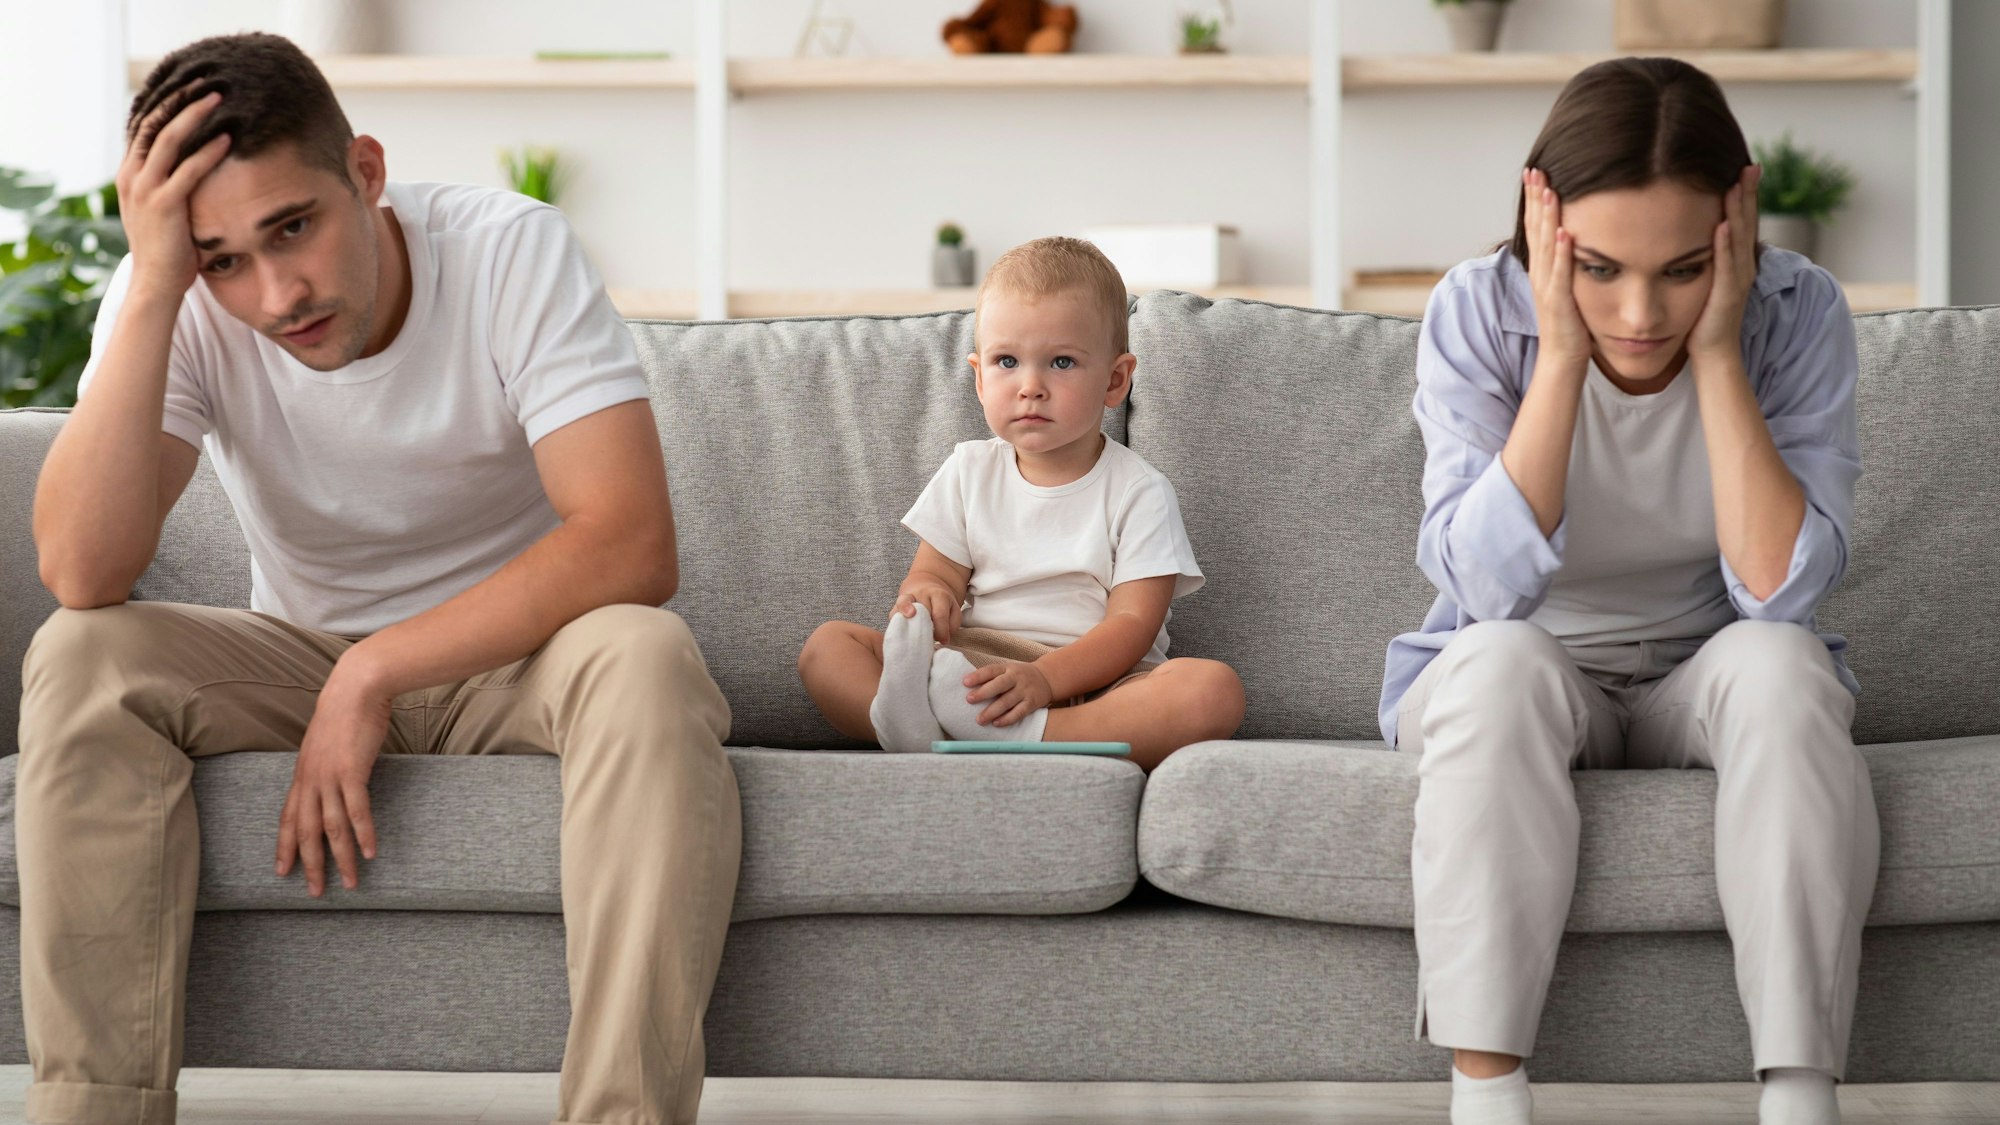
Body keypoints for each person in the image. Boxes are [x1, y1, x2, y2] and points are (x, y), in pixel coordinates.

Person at [18, 33, 740, 1125]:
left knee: (645, 652)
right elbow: (82, 569)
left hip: (518, 664)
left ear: (365, 170)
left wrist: (373, 674)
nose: (275, 293)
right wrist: (160, 282)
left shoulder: (509, 250)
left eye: (293, 228)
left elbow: (630, 544)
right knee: (81, 655)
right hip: (292, 662)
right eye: (224, 257)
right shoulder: (182, 295)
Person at [1378, 58, 1879, 1125]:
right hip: (1522, 673)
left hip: (1701, 673)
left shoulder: (1796, 313)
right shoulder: (1475, 311)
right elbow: (1479, 586)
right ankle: (1487, 1096)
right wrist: (1558, 357)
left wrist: (1718, 355)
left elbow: (1778, 590)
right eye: (1598, 269)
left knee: (1782, 665)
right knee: (1500, 658)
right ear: (1539, 224)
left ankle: (1798, 1099)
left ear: (1733, 233)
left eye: (1683, 268)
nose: (1639, 311)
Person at [796, 237, 1244, 771]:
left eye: (1061, 362)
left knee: (1213, 689)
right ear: (980, 377)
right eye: (1007, 361)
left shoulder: (1139, 491)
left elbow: (1132, 627)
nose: (1030, 386)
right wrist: (927, 598)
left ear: (1116, 379)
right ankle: (911, 720)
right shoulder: (968, 470)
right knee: (827, 647)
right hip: (971, 671)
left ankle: (1041, 733)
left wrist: (1045, 680)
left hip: (1094, 683)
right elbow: (934, 575)